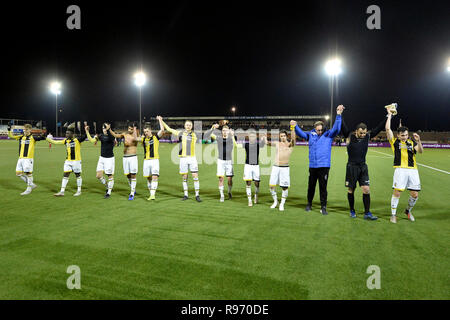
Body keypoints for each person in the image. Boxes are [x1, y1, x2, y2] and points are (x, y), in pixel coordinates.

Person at [291, 105, 344, 215]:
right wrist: (295, 126)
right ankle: (309, 204)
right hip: (313, 166)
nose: (320, 131)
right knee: (311, 187)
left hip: (324, 166)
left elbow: (337, 128)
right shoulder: (311, 134)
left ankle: (323, 206)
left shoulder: (328, 134)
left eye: (321, 129)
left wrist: (338, 114)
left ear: (323, 128)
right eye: (318, 130)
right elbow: (301, 134)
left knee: (323, 188)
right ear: (315, 129)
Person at [340, 112, 387, 220]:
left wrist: (388, 116)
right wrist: (340, 115)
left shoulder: (367, 136)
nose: (363, 135)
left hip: (363, 167)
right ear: (356, 131)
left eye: (364, 133)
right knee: (351, 190)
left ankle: (367, 213)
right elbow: (343, 126)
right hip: (351, 167)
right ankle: (352, 210)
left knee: (366, 189)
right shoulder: (349, 136)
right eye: (361, 133)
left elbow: (379, 128)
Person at [385, 110, 423, 223]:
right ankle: (393, 214)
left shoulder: (412, 142)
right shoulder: (394, 142)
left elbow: (420, 151)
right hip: (400, 169)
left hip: (413, 170)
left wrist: (419, 141)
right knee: (397, 192)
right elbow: (388, 129)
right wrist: (390, 115)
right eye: (402, 135)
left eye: (406, 135)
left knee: (415, 194)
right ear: (398, 135)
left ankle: (408, 211)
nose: (405, 137)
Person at [160, 117, 202, 202]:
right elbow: (169, 129)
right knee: (184, 177)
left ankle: (197, 195)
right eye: (187, 125)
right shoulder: (180, 133)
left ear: (192, 126)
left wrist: (213, 128)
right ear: (184, 125)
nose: (188, 126)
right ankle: (185, 195)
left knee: (195, 176)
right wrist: (161, 120)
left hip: (192, 158)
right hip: (183, 158)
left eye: (190, 125)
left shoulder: (195, 134)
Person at [8, 123, 46, 195]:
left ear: (30, 130)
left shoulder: (33, 137)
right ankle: (31, 184)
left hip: (28, 159)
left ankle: (28, 189)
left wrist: (43, 135)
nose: (25, 130)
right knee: (18, 173)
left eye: (26, 129)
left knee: (28, 173)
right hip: (20, 158)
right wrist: (9, 129)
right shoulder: (21, 137)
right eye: (24, 129)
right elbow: (11, 136)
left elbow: (42, 138)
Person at [47, 129, 87, 196]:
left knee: (77, 175)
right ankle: (62, 191)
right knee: (65, 174)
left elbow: (84, 136)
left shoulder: (77, 140)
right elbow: (55, 142)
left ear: (72, 134)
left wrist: (86, 130)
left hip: (76, 161)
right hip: (68, 161)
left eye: (68, 133)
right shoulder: (65, 141)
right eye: (66, 133)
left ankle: (79, 191)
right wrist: (47, 139)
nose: (66, 135)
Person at [204, 122, 237, 202]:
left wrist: (232, 136)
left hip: (229, 161)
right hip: (221, 161)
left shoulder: (231, 138)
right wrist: (212, 128)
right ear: (221, 131)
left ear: (228, 131)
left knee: (229, 179)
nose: (224, 132)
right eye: (223, 130)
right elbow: (207, 135)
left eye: (226, 130)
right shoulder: (218, 138)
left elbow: (235, 145)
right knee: (221, 179)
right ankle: (222, 195)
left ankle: (229, 192)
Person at [266, 128, 296, 211]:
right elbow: (268, 143)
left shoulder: (290, 144)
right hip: (275, 167)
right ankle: (275, 202)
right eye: (281, 136)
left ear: (286, 136)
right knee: (271, 186)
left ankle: (282, 203)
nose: (282, 137)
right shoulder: (277, 143)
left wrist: (293, 129)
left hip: (285, 168)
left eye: (284, 136)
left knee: (284, 187)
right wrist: (265, 140)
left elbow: (293, 140)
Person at [85, 122, 116, 199]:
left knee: (110, 176)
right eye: (103, 128)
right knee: (98, 175)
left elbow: (113, 139)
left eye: (105, 128)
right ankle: (107, 186)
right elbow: (92, 140)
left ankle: (108, 192)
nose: (104, 129)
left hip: (109, 158)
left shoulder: (112, 136)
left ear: (108, 128)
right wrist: (87, 131)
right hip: (102, 158)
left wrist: (108, 129)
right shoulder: (101, 136)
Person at [108, 124, 139, 200]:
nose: (129, 130)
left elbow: (136, 139)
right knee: (128, 175)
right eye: (129, 128)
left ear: (134, 129)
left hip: (132, 157)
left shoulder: (136, 136)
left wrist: (135, 129)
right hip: (125, 157)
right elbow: (115, 135)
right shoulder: (125, 134)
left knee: (133, 175)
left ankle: (132, 193)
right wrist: (109, 129)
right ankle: (133, 188)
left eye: (131, 129)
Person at [236, 129, 266, 206]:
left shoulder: (258, 144)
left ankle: (256, 195)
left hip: (256, 166)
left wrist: (264, 137)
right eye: (250, 136)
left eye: (253, 136)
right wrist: (232, 136)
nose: (252, 137)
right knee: (248, 183)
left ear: (256, 137)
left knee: (257, 183)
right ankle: (249, 200)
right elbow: (236, 145)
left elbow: (265, 143)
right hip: (248, 166)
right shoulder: (246, 144)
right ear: (248, 137)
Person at [137, 117, 164, 200]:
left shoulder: (156, 137)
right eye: (144, 132)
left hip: (155, 160)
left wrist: (160, 120)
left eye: (147, 131)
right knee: (148, 178)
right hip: (146, 161)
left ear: (150, 131)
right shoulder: (143, 139)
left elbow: (162, 130)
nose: (146, 133)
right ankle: (151, 193)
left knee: (155, 177)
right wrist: (135, 129)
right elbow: (135, 138)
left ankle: (152, 195)